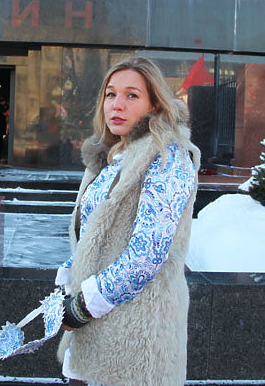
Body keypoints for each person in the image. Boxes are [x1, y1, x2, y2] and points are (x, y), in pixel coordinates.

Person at [55, 57, 200, 386]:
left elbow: (147, 254)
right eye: (110, 94)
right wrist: (70, 272)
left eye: (132, 95)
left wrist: (84, 305)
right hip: (96, 330)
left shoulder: (167, 156)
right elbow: (95, 233)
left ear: (154, 104)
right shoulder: (112, 154)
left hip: (136, 336)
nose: (116, 105)